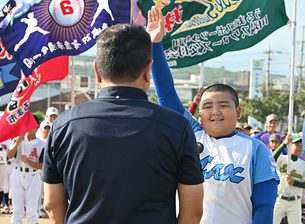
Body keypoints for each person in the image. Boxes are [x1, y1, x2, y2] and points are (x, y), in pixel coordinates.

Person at [41, 11, 204, 224]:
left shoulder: (63, 125)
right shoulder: (176, 127)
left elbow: (52, 206)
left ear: (97, 71)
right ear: (148, 71)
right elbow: (193, 212)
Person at [149, 7, 279, 224]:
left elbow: (264, 208)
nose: (215, 112)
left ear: (238, 111)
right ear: (200, 113)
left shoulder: (256, 149)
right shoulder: (191, 135)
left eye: (223, 105)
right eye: (208, 106)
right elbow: (167, 95)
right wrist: (155, 44)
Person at [8, 116, 45, 224]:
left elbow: (43, 166)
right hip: (17, 174)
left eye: (32, 125)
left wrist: (28, 161)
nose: (29, 128)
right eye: (27, 124)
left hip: (33, 176)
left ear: (37, 127)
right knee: (17, 210)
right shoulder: (18, 139)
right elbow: (10, 155)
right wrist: (19, 141)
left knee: (32, 211)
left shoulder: (42, 144)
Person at [272, 133, 305, 224]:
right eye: (296, 144)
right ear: (290, 146)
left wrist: (295, 182)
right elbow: (272, 159)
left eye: (301, 145)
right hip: (279, 199)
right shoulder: (282, 159)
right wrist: (283, 144)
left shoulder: (304, 164)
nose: (299, 147)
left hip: (295, 201)